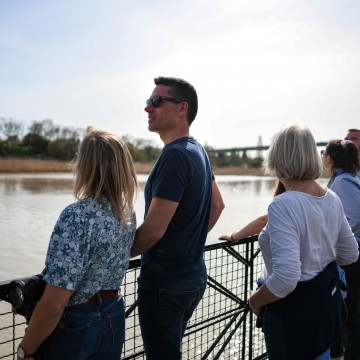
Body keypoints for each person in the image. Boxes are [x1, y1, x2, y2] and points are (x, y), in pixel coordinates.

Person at [16, 127, 138, 360]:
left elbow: (54, 305)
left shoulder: (76, 216)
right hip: (113, 313)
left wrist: (25, 351)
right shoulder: (127, 212)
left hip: (77, 324)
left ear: (86, 167)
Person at [131, 76, 225, 360]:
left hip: (165, 283)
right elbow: (218, 206)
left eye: (157, 101)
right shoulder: (197, 151)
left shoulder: (174, 157)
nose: (148, 107)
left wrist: (118, 257)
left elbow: (154, 230)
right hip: (192, 275)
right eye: (149, 101)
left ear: (182, 108)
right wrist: (187, 241)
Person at [247, 125, 359, 360]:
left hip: (292, 317)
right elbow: (350, 254)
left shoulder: (283, 204)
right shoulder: (332, 197)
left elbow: (286, 278)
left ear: (277, 157)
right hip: (325, 309)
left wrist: (255, 300)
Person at [322, 139, 360, 360]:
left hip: (352, 257)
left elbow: (355, 218)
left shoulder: (343, 182)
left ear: (330, 159)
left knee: (348, 312)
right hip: (352, 254)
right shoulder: (352, 177)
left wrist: (346, 245)